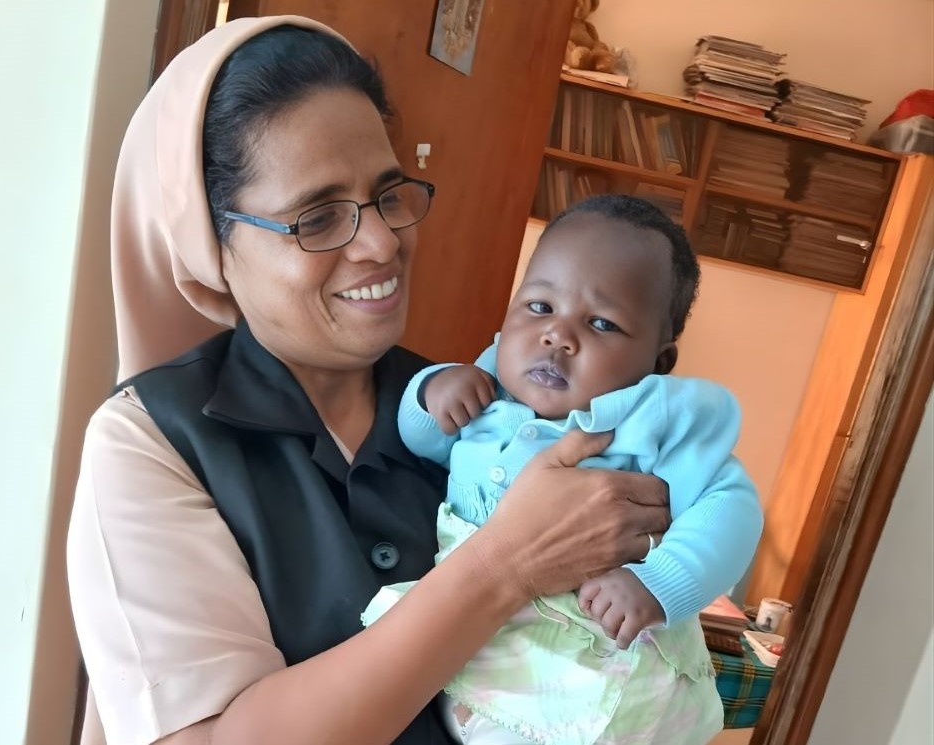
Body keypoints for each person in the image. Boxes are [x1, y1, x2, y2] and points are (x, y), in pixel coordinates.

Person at [66, 17, 674, 745]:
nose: (383, 242)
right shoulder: (151, 443)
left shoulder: (471, 407)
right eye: (318, 218)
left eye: (389, 195)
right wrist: (505, 565)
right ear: (211, 243)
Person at [363, 195, 764, 745]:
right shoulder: (486, 387)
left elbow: (731, 507)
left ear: (658, 362)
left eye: (601, 323)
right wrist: (431, 392)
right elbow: (424, 441)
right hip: (490, 644)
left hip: (595, 655)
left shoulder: (652, 421)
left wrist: (659, 583)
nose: (558, 336)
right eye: (539, 306)